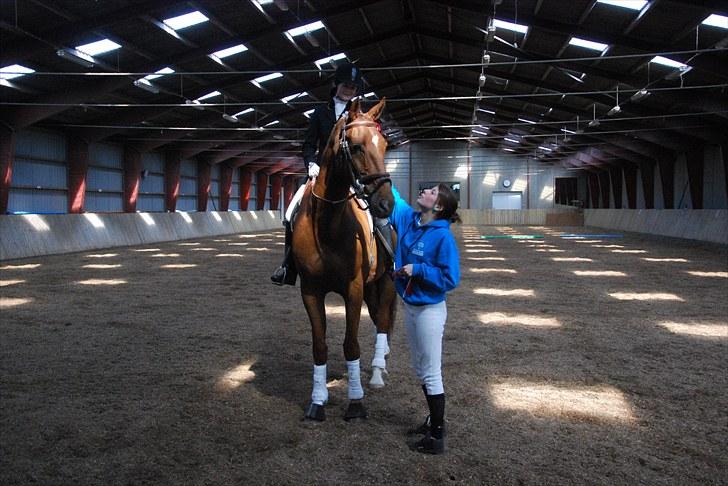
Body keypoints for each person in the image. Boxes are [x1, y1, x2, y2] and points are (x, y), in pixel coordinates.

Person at [271, 62, 393, 285]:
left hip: (353, 175)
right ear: (336, 84)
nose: (349, 91)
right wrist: (310, 164)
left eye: (353, 88)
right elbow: (308, 144)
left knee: (378, 213)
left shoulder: (361, 117)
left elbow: (371, 144)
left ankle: (389, 261)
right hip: (320, 173)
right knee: (291, 214)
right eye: (346, 85)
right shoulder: (320, 113)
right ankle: (288, 266)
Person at [388, 183, 461, 454]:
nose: (424, 192)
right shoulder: (410, 218)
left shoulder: (443, 238)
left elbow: (450, 277)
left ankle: (437, 436)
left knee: (431, 372)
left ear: (439, 205)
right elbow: (392, 197)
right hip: (410, 306)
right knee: (420, 368)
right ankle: (432, 419)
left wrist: (418, 269)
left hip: (430, 310)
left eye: (431, 192)